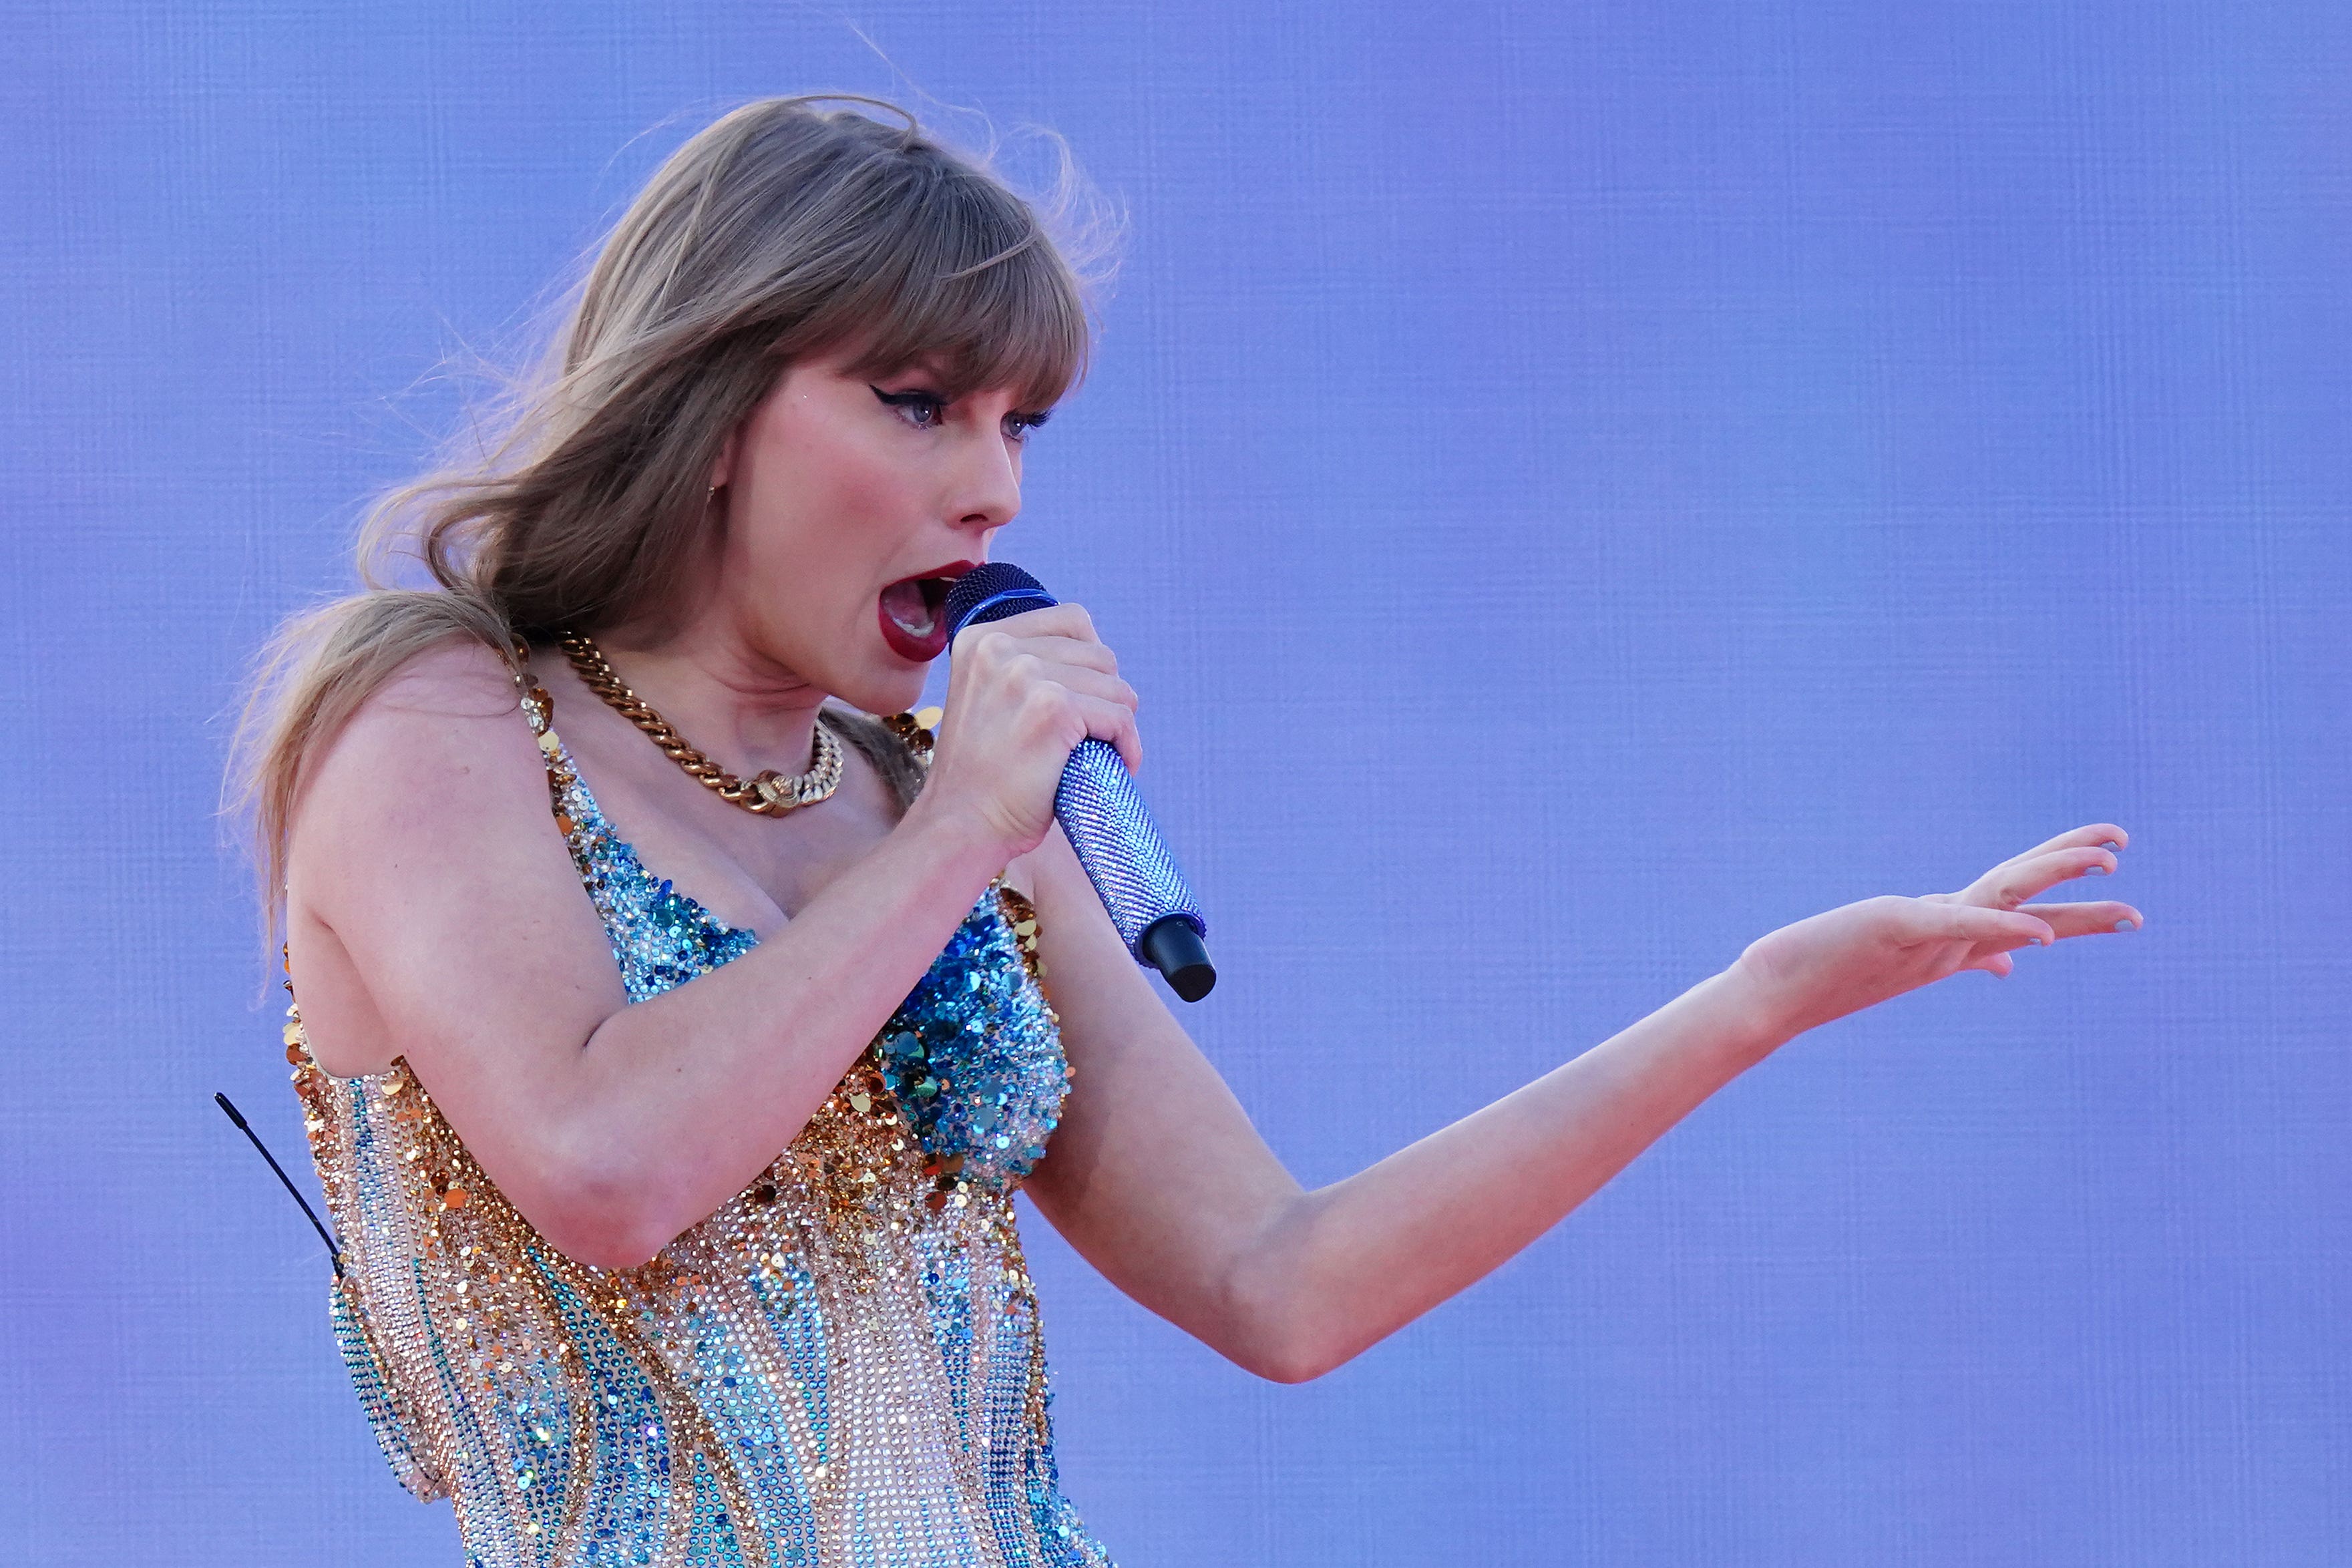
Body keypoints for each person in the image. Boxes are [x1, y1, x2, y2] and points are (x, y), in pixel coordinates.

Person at [234, 95, 2143, 1568]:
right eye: (915, 404)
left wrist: (1747, 1002)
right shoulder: (434, 713)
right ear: (716, 406)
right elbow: (604, 1164)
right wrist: (961, 834)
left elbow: (1277, 1279)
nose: (987, 488)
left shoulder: (932, 808)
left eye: (1019, 425)